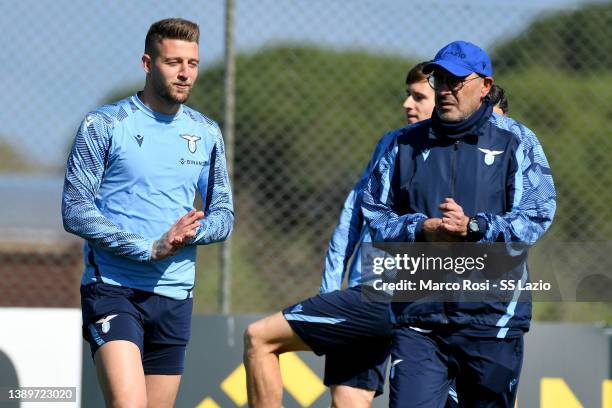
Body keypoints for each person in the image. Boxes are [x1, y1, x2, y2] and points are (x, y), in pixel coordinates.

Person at [244, 62, 457, 408]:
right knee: (347, 402)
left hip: (390, 296)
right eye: (407, 94)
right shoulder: (391, 143)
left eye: (418, 97)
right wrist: (331, 291)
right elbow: (352, 215)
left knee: (259, 338)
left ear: (443, 99)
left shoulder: (458, 156)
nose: (407, 104)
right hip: (368, 296)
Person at [361, 40, 556, 407]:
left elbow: (537, 215)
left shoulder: (517, 141)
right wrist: (420, 228)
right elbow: (374, 213)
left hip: (492, 322)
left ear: (484, 86)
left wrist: (477, 228)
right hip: (419, 322)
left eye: (455, 80)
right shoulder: (401, 144)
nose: (445, 89)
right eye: (439, 79)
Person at [62, 18, 233, 408]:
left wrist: (191, 234)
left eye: (192, 63)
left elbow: (223, 214)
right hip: (113, 288)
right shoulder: (103, 124)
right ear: (147, 63)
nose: (185, 73)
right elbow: (75, 210)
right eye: (173, 62)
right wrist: (148, 247)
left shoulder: (206, 133)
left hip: (175, 296)